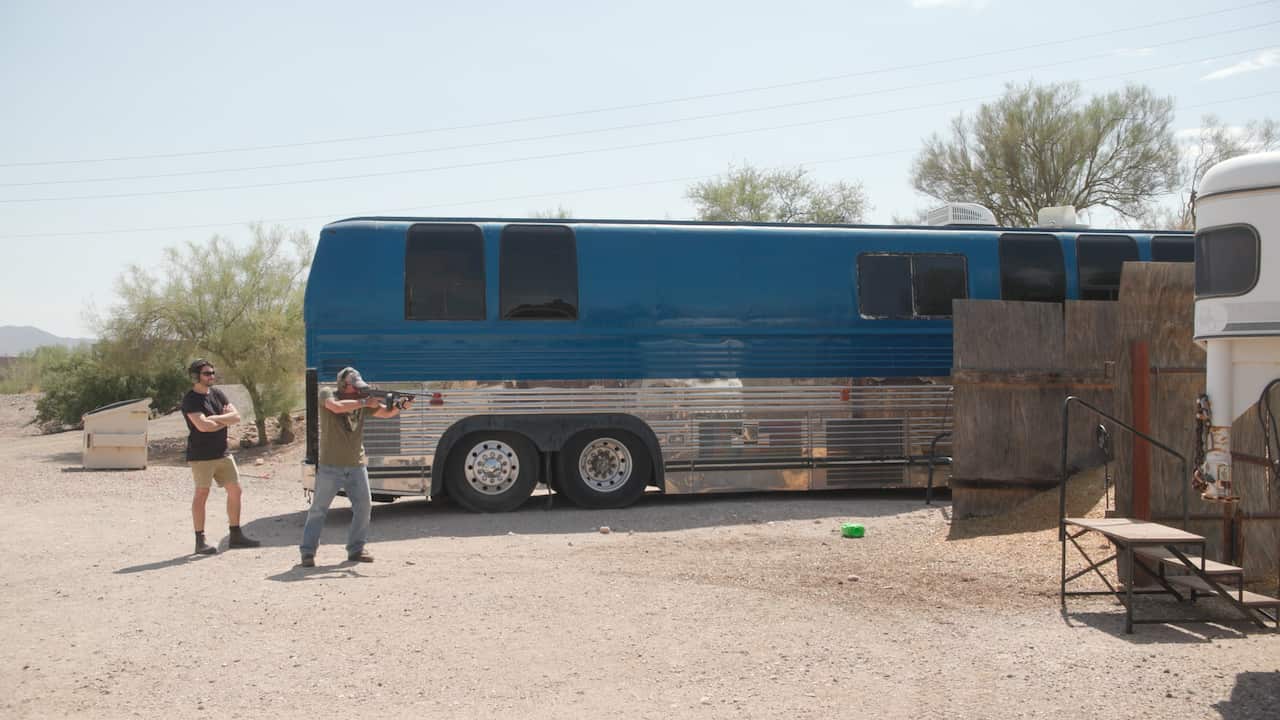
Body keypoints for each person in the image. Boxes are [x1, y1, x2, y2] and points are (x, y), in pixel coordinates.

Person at [299, 367, 410, 566]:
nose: (358, 390)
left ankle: (356, 549)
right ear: (343, 385)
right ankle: (307, 553)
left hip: (356, 465)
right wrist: (363, 402)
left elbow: (385, 413)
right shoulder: (328, 393)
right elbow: (335, 407)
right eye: (354, 387)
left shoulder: (362, 400)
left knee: (364, 507)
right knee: (318, 510)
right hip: (330, 465)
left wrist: (400, 405)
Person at [182, 359, 259, 555]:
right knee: (202, 494)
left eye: (212, 373)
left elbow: (236, 416)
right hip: (201, 455)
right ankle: (200, 540)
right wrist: (223, 420)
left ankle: (235, 534)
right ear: (196, 376)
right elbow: (202, 427)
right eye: (207, 373)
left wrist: (215, 419)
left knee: (236, 490)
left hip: (222, 452)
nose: (211, 376)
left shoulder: (217, 393)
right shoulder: (191, 400)